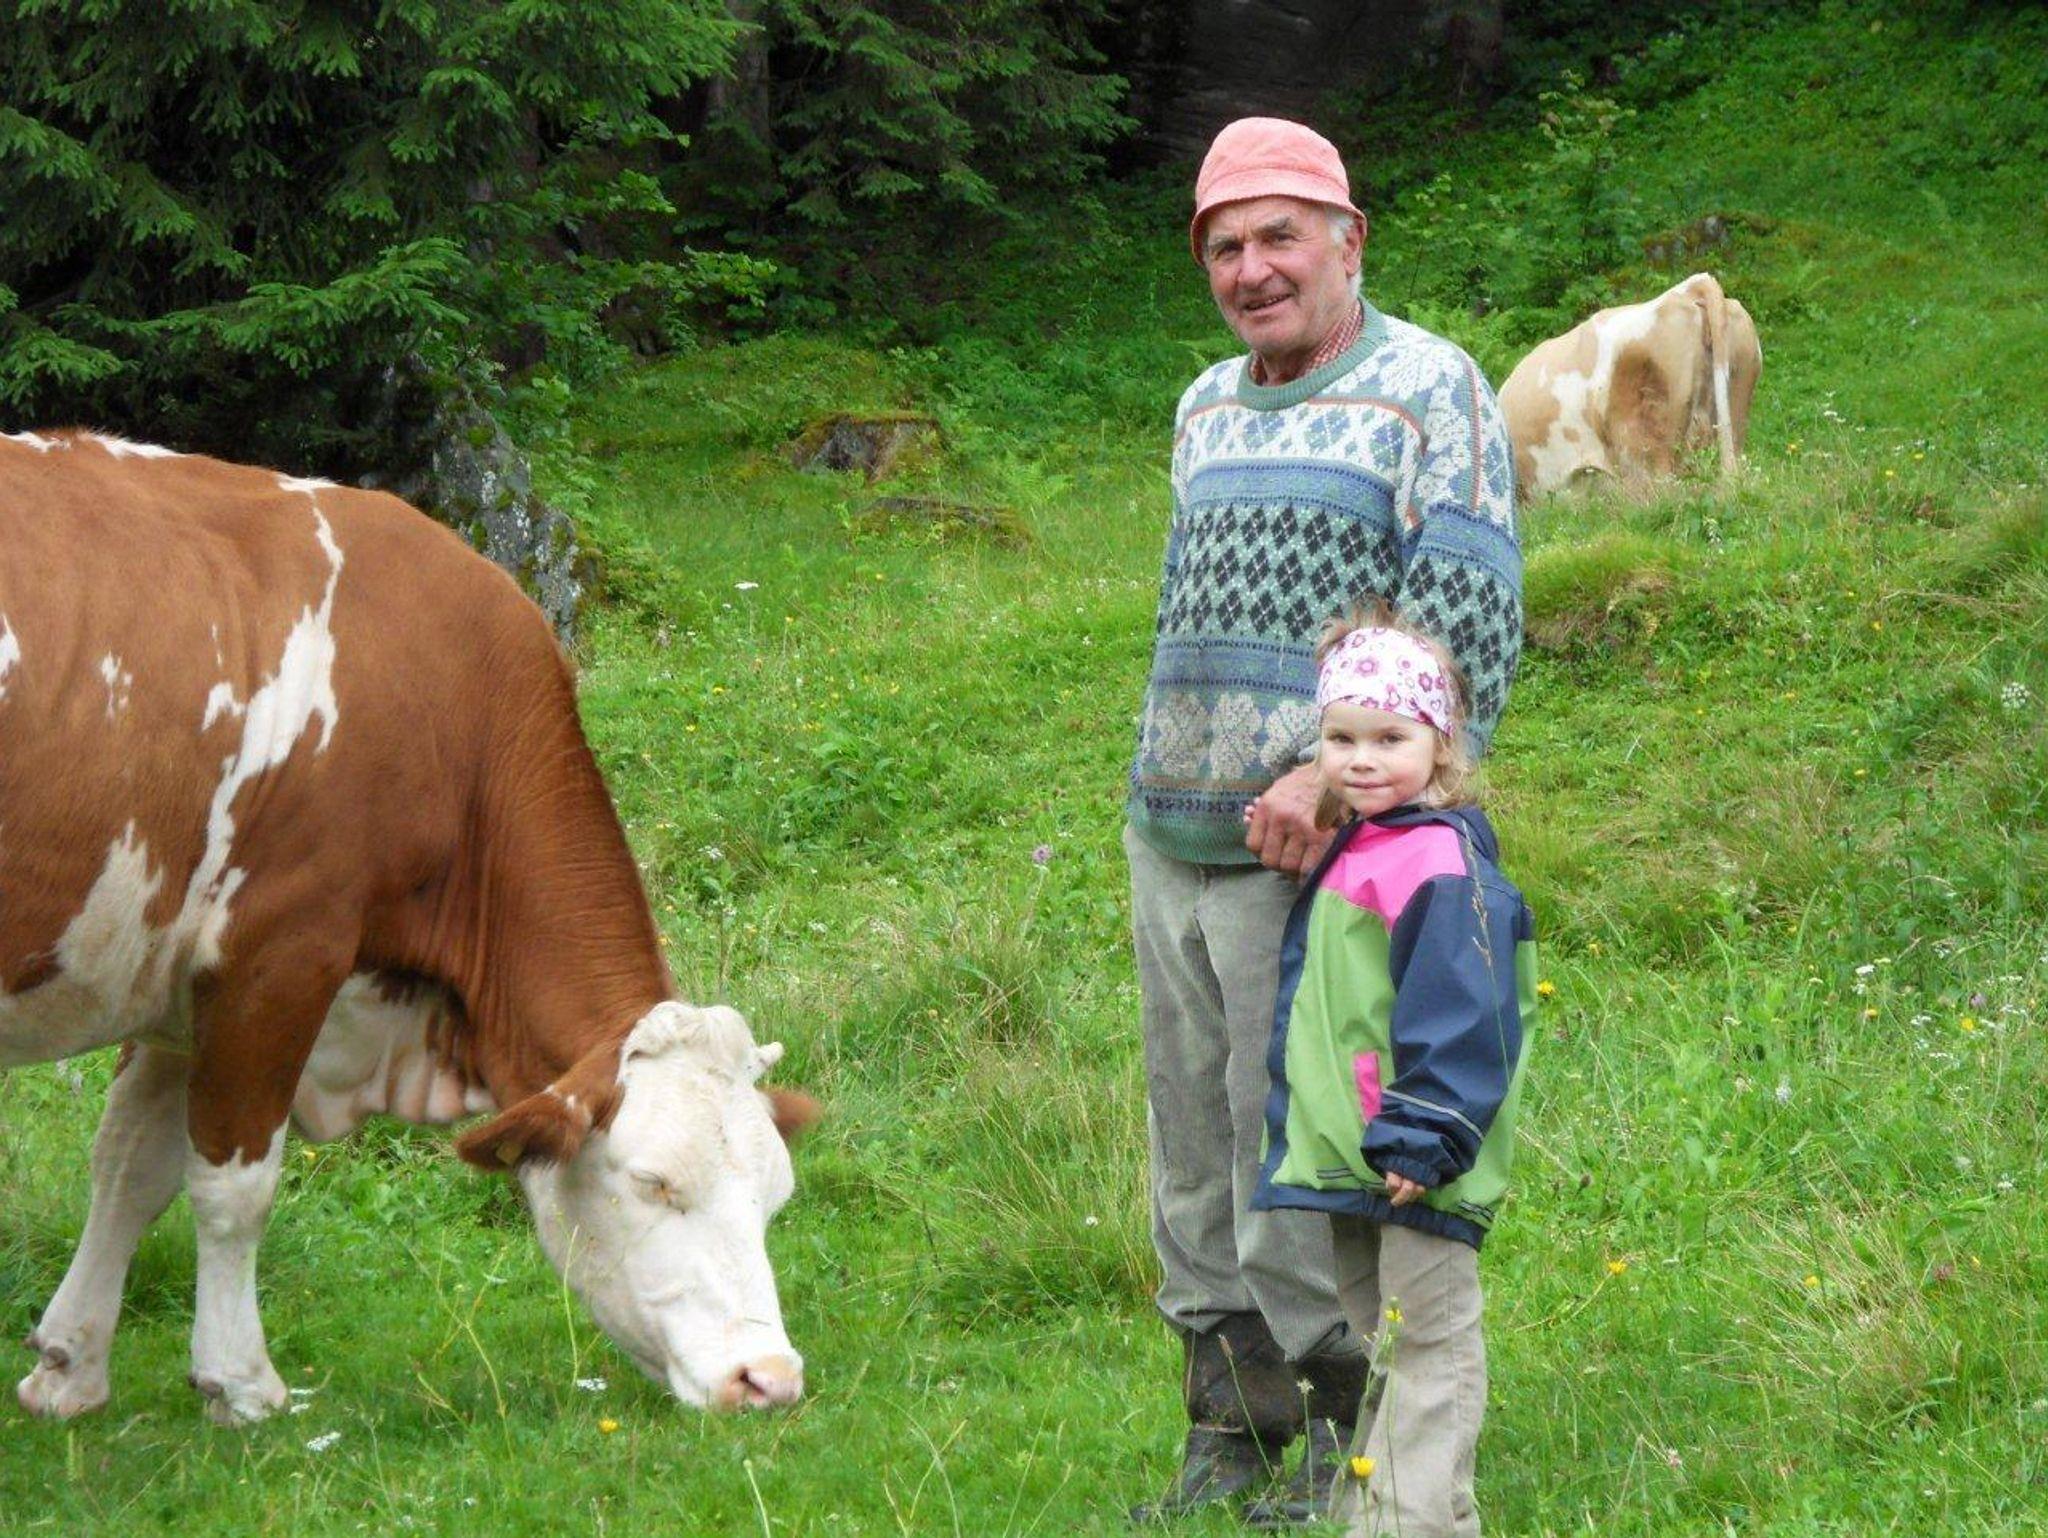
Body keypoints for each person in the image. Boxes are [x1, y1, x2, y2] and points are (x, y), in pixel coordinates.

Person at [1124, 115, 1521, 1524]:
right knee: (1189, 1144)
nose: (1251, 268)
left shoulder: (1430, 389)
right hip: (1168, 833)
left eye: (1279, 235)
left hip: (1319, 855)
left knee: (1295, 1146)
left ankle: (1341, 1425)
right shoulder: (1203, 404)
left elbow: (1466, 623)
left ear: (1349, 241)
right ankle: (1229, 1421)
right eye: (1224, 246)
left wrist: (1319, 775)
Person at [1249, 603, 1533, 1536]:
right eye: (1341, 738)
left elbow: (1465, 1011)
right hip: (1362, 1154)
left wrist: (1426, 1132)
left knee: (1428, 1342)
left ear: (1440, 744)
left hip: (1418, 1156)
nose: (1361, 759)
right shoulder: (1367, 845)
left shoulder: (1439, 863)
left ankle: (1417, 1522)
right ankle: (1395, 1510)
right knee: (1387, 1336)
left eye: (1389, 738)